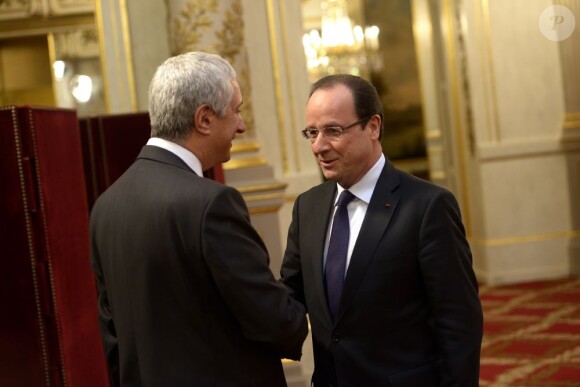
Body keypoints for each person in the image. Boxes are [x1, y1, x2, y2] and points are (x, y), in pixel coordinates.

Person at [90, 51, 308, 386]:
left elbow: (113, 337)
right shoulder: (212, 203)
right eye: (236, 110)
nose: (241, 124)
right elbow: (274, 320)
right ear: (204, 119)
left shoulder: (106, 205)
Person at [280, 74, 483, 386]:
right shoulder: (308, 207)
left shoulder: (427, 207)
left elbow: (459, 323)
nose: (319, 146)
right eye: (312, 132)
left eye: (333, 130)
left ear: (373, 126)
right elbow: (290, 297)